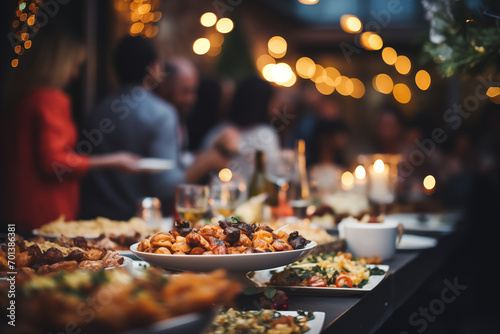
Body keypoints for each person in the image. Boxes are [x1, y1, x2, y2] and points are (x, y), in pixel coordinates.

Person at [0, 29, 140, 233]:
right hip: (45, 213)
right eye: (74, 65)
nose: (75, 73)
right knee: (43, 262)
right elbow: (54, 163)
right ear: (57, 64)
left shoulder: (19, 100)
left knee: (13, 263)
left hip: (14, 208)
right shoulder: (49, 99)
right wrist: (114, 161)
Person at [79, 36, 230, 220]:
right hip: (138, 224)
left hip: (93, 219)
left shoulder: (97, 110)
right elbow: (166, 186)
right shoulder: (161, 113)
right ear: (154, 70)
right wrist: (209, 160)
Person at [201, 75, 281, 182]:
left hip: (220, 193)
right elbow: (274, 172)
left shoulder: (220, 130)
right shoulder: (266, 134)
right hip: (254, 196)